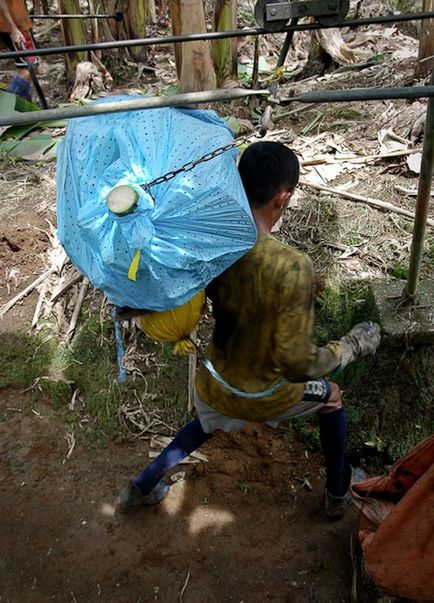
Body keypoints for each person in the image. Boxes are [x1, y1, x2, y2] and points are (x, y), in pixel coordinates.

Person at [117, 141, 381, 519]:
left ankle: (141, 486)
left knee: (205, 423)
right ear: (283, 198)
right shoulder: (291, 266)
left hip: (215, 384)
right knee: (333, 397)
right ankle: (338, 492)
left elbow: (169, 289)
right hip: (268, 394)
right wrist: (350, 346)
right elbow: (297, 364)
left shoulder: (213, 244)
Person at [0, 0, 39, 100]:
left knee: (26, 65)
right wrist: (13, 29)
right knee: (31, 65)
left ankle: (22, 107)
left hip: (12, 21)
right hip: (13, 22)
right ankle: (8, 105)